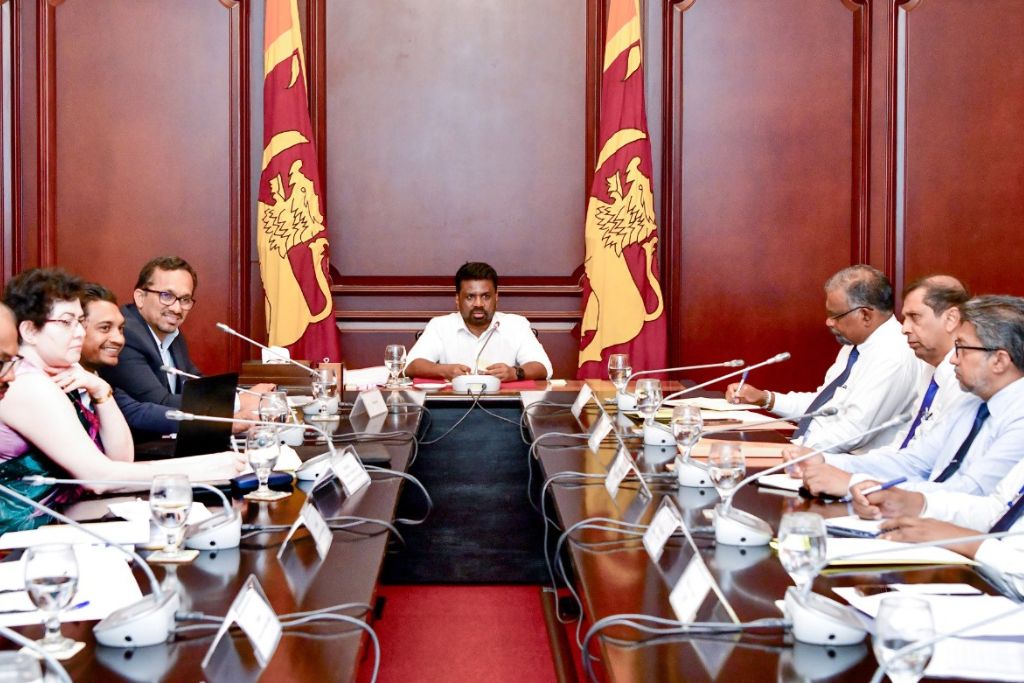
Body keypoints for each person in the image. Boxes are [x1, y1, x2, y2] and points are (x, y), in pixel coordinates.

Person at [0, 268, 243, 533]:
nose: (80, 332)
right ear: (30, 331)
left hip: (56, 521)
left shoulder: (64, 374)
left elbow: (121, 458)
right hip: (18, 538)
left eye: (80, 321)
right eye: (66, 322)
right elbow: (99, 478)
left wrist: (101, 391)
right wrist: (209, 467)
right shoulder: (27, 383)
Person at [791, 276, 978, 496]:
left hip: (924, 499)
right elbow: (904, 453)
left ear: (951, 318)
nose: (904, 328)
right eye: (905, 318)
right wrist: (825, 461)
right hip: (900, 484)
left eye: (914, 317)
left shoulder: (967, 381)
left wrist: (852, 482)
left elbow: (931, 472)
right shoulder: (931, 371)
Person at [846, 295, 1024, 519]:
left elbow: (971, 492)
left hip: (959, 530)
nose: (953, 360)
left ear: (999, 361)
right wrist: (827, 464)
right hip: (924, 518)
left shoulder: (1018, 418)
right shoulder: (971, 402)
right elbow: (916, 461)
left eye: (961, 348)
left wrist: (865, 486)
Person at [726, 265, 921, 453]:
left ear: (865, 315)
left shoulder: (893, 356)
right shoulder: (854, 345)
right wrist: (765, 398)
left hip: (847, 463)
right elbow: (822, 406)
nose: (829, 322)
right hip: (813, 451)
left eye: (836, 315)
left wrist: (789, 450)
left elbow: (852, 433)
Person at [99, 256, 269, 434]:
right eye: (166, 296)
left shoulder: (172, 334)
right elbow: (159, 402)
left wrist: (248, 395)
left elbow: (195, 382)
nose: (177, 309)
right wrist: (238, 402)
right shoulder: (125, 334)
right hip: (139, 445)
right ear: (140, 297)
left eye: (185, 299)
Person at [405, 262, 553, 381]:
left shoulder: (516, 325)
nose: (478, 304)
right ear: (457, 299)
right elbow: (411, 366)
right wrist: (445, 370)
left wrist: (515, 373)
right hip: (450, 405)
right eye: (470, 297)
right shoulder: (440, 326)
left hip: (506, 405)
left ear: (496, 297)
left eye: (486, 296)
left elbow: (543, 367)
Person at [80, 283, 180, 438]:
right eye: (105, 328)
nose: (119, 339)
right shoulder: (54, 386)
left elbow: (137, 413)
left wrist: (213, 421)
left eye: (120, 329)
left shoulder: (100, 377)